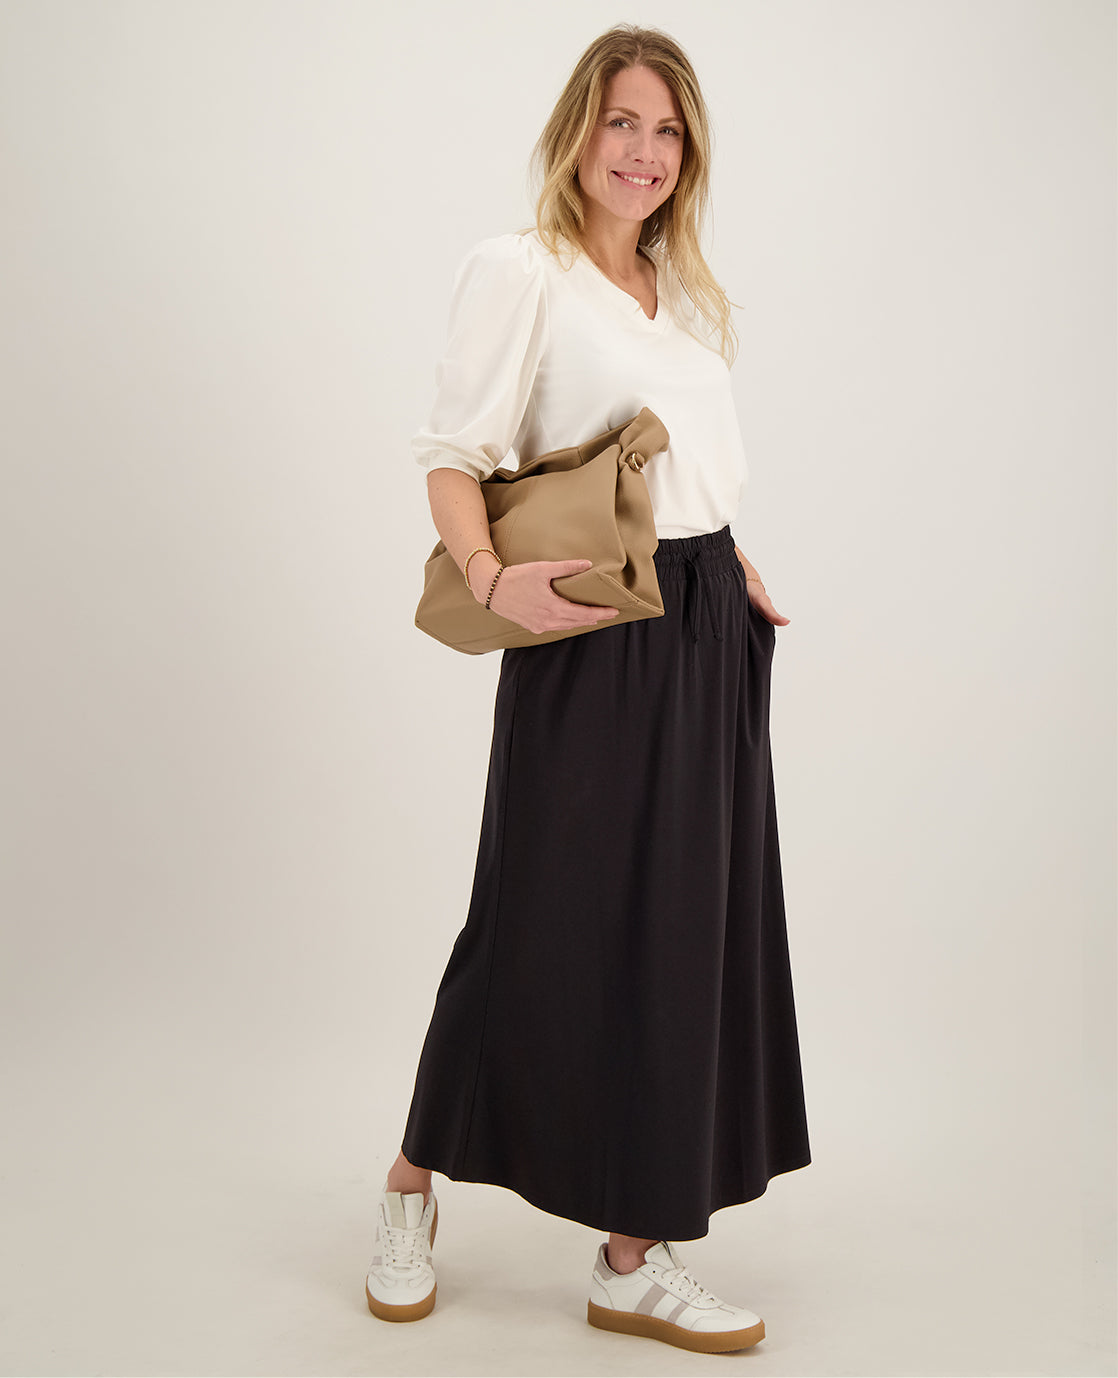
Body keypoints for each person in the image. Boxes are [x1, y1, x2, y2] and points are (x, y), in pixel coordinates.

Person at [366, 24, 812, 1355]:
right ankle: (410, 1185)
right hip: (589, 622)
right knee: (534, 915)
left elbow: (680, 469)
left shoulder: (681, 293)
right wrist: (489, 575)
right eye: (623, 121)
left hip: (705, 624)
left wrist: (730, 558)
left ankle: (631, 1254)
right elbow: (454, 453)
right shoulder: (523, 271)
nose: (643, 151)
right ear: (578, 130)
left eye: (668, 131)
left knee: (683, 932)